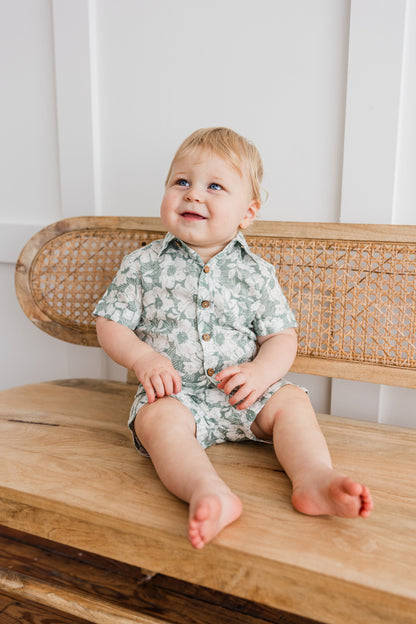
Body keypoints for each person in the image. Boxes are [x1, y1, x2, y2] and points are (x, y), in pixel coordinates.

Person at [94, 127, 373, 550]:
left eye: (214, 186)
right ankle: (209, 492)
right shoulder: (141, 264)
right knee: (158, 423)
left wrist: (262, 374)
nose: (192, 195)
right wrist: (143, 358)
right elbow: (110, 323)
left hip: (244, 393)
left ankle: (313, 479)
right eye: (181, 182)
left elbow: (282, 335)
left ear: (247, 212)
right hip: (176, 396)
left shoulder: (258, 272)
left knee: (292, 402)